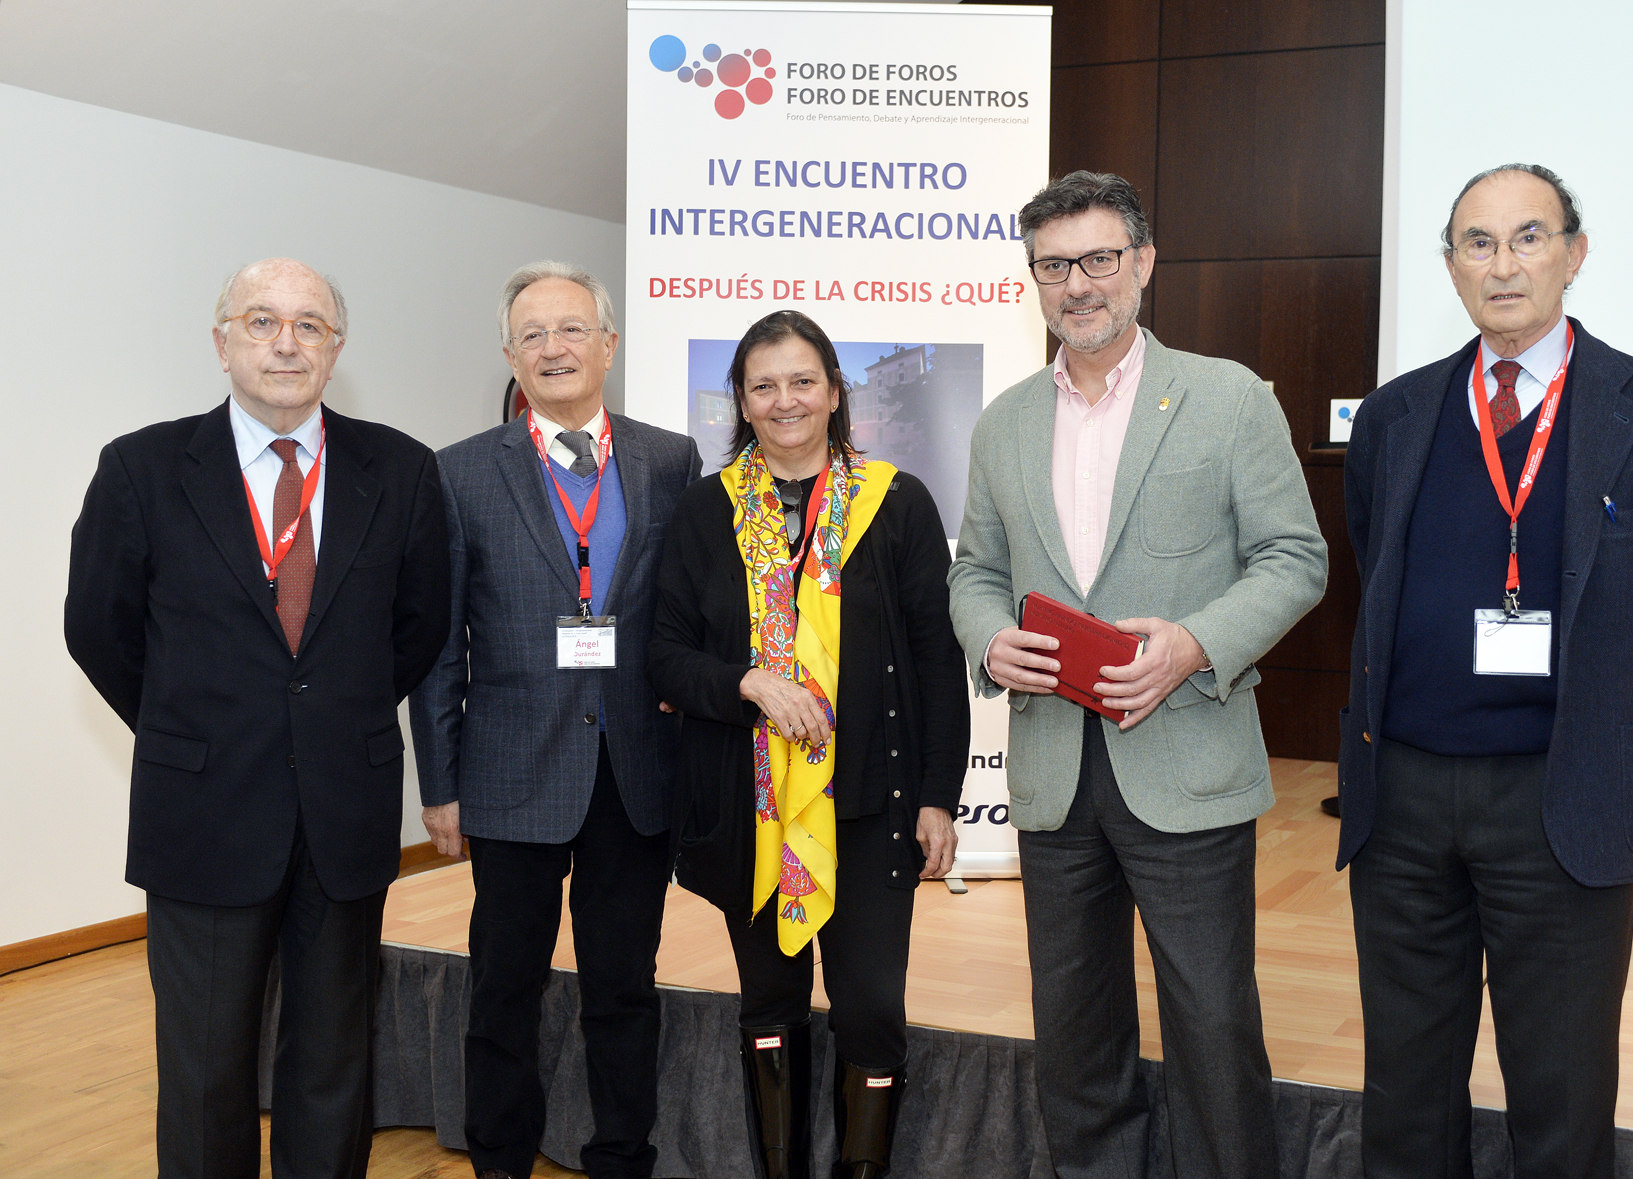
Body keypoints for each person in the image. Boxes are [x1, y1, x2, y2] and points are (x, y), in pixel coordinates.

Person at [1337, 164, 1633, 1178]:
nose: (1502, 264)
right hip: (1404, 800)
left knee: (1560, 1097)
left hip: (1562, 799)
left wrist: (1612, 734)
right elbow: (1374, 564)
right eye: (1478, 242)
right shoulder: (1393, 415)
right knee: (1403, 1093)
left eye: (1527, 237)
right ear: (1450, 266)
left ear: (1573, 253)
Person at [948, 172, 1328, 1179]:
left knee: (1211, 1024)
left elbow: (1295, 558)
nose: (1077, 284)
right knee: (1073, 1029)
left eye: (1099, 258)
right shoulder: (1004, 421)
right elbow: (975, 569)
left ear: (1144, 263)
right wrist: (989, 636)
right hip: (1052, 769)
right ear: (1033, 278)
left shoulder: (1228, 397)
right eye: (1053, 265)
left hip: (1187, 761)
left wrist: (1193, 644)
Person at [65, 258, 450, 1177]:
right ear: (222, 342)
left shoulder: (401, 468)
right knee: (206, 1071)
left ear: (336, 348)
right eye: (262, 321)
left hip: (344, 814)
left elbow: (419, 625)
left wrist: (324, 722)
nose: (286, 342)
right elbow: (99, 629)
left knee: (333, 1063)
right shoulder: (141, 468)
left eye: (309, 324)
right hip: (202, 812)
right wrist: (190, 730)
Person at [648, 309, 968, 1179]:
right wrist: (749, 683)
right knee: (770, 1002)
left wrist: (938, 796)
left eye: (802, 381)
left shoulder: (895, 502)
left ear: (834, 392)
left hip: (871, 806)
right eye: (763, 386)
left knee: (870, 1010)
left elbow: (938, 662)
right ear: (741, 402)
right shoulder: (707, 510)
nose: (784, 400)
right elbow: (665, 656)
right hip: (751, 811)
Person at [408, 262, 701, 1179]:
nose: (553, 347)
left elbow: (688, 613)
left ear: (608, 344)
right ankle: (500, 1160)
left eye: (572, 328)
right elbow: (436, 644)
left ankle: (621, 1155)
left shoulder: (670, 460)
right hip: (509, 772)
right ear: (510, 355)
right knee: (504, 987)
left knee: (624, 985)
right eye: (532, 334)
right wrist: (441, 783)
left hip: (633, 769)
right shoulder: (458, 470)